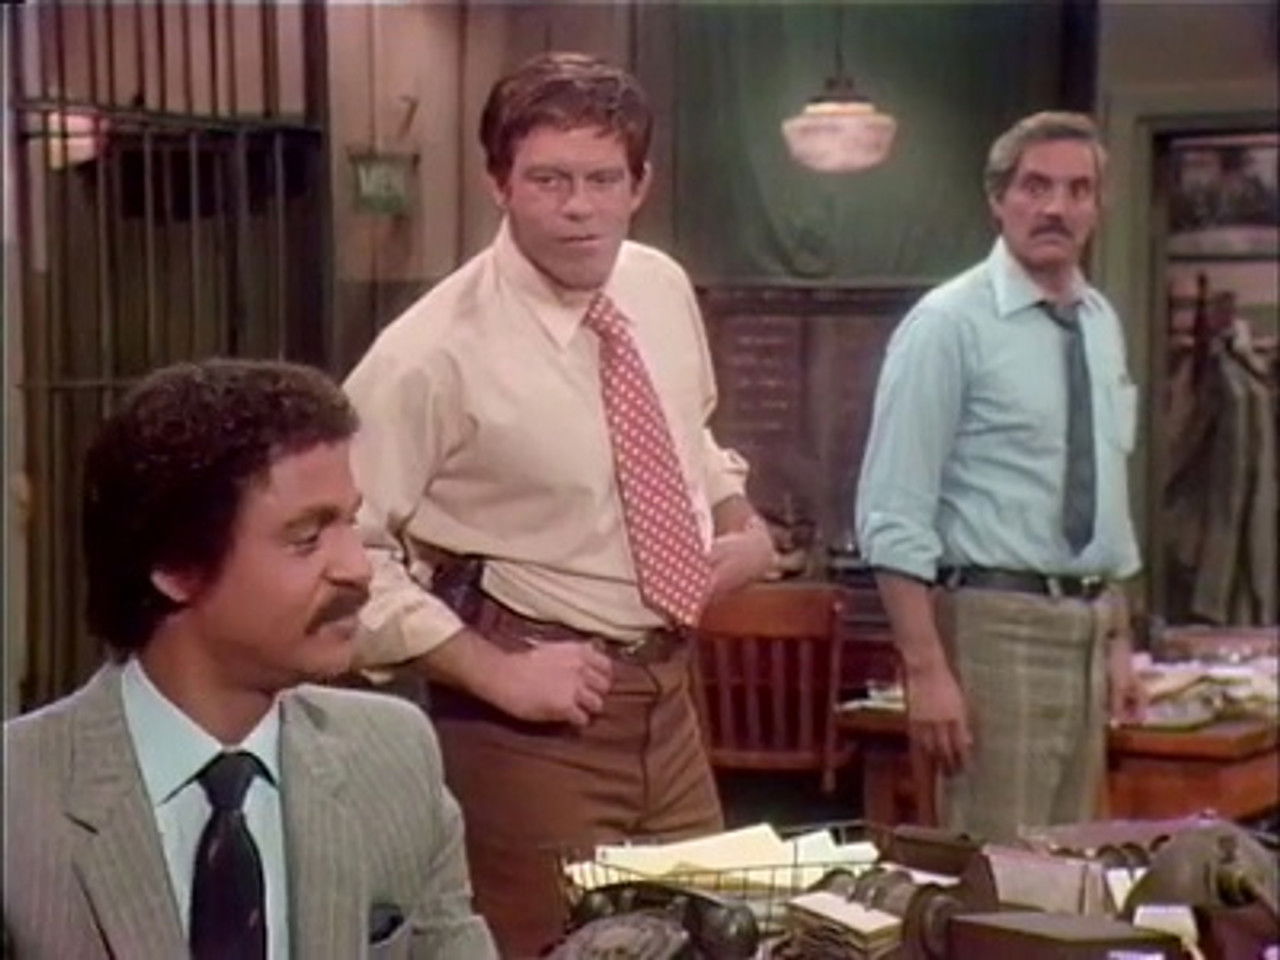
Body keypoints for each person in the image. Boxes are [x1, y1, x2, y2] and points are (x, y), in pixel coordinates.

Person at [344, 52, 775, 956]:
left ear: (639, 185)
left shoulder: (658, 286)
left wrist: (736, 516)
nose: (579, 207)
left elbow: (684, 431)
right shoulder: (429, 353)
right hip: (525, 722)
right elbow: (344, 554)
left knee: (712, 944)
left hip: (672, 699)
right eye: (548, 180)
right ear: (498, 183)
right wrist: (491, 670)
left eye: (602, 180)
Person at [3, 359, 496, 960]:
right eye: (307, 538)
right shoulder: (19, 800)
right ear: (176, 566)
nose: (357, 568)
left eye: (350, 523)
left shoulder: (394, 758)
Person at [856, 111, 1146, 844]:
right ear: (998, 199)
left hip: (1085, 626)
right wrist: (926, 669)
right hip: (992, 622)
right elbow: (892, 511)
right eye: (1036, 187)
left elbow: (1105, 488)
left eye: (1078, 190)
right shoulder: (948, 324)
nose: (1056, 208)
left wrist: (1117, 638)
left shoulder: (1100, 322)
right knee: (1001, 866)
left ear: (1097, 207)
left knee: (1074, 871)